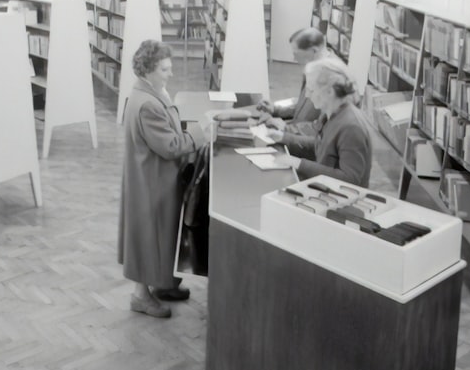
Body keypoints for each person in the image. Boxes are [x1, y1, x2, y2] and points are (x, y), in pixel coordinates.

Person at [118, 39, 205, 319]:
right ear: (149, 70)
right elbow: (169, 146)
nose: (171, 73)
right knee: (150, 238)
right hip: (152, 183)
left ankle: (164, 283)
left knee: (163, 235)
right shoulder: (147, 104)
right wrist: (200, 136)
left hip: (154, 178)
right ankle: (141, 297)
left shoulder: (151, 92)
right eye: (165, 69)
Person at [212, 27, 328, 148]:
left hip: (304, 142)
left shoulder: (329, 77)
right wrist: (276, 109)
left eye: (296, 54)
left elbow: (321, 127)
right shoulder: (313, 67)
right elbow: (302, 104)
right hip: (295, 133)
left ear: (314, 51)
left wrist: (285, 127)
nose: (294, 59)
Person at [271, 57, 372, 187]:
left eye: (311, 90)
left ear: (330, 92)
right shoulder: (332, 113)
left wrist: (299, 163)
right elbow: (322, 145)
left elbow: (350, 179)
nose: (307, 95)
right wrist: (284, 137)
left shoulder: (351, 127)